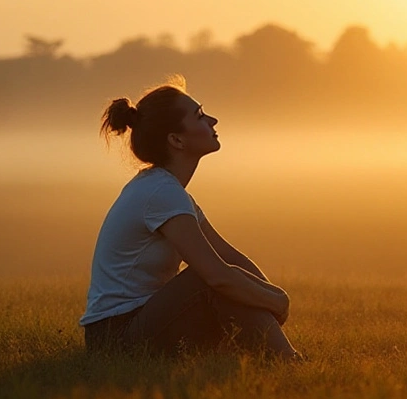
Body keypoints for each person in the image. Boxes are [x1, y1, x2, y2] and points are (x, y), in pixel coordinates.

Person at [79, 76, 300, 359]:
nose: (213, 120)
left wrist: (269, 296)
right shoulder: (160, 193)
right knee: (208, 279)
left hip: (145, 321)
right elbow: (217, 276)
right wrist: (276, 300)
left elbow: (230, 258)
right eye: (199, 115)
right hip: (114, 337)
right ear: (176, 140)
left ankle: (281, 357)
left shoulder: (168, 191)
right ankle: (289, 362)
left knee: (224, 279)